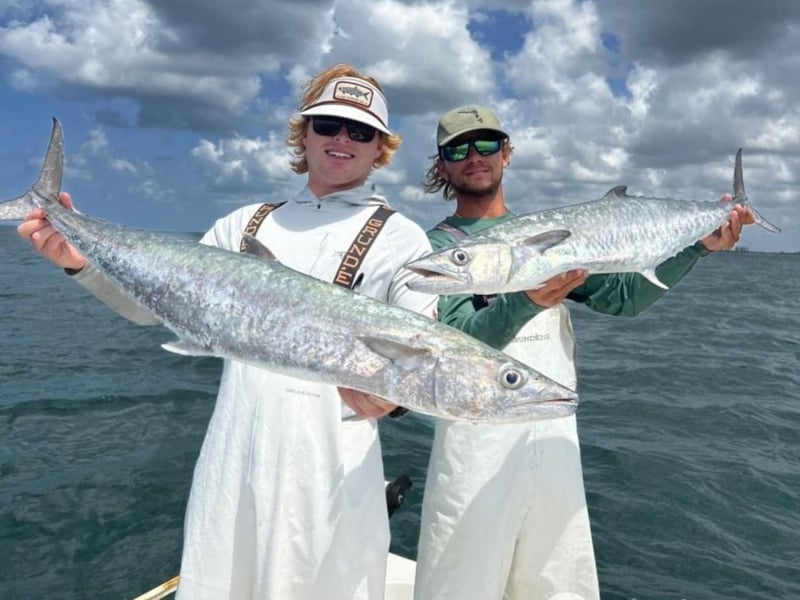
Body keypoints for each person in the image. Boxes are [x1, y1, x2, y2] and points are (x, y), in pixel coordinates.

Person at [17, 64, 437, 600]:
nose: (342, 139)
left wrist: (392, 401)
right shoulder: (244, 225)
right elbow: (156, 310)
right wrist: (82, 264)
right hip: (232, 464)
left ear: (380, 147)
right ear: (303, 133)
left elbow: (421, 356)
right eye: (328, 123)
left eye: (361, 131)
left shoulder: (402, 239)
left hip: (332, 476)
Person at [413, 105, 753, 600]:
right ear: (441, 164)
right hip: (474, 449)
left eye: (485, 144)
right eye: (457, 149)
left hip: (553, 441)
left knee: (557, 586)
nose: (474, 157)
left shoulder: (560, 235)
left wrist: (697, 248)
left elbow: (624, 298)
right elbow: (456, 346)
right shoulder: (440, 250)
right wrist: (525, 301)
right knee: (458, 586)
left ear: (506, 154)